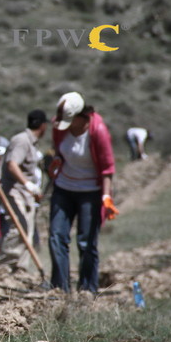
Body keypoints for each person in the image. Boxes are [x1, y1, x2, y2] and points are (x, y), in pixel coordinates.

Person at [48, 92, 119, 293]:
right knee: (56, 235)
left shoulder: (98, 131)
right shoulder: (59, 127)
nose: (66, 124)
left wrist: (106, 197)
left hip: (91, 192)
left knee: (86, 241)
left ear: (81, 116)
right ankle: (60, 289)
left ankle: (88, 289)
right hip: (63, 188)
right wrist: (56, 161)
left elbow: (107, 168)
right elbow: (58, 150)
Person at [0, 109, 48, 272]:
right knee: (19, 227)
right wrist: (27, 184)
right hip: (15, 191)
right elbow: (12, 165)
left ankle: (20, 268)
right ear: (43, 126)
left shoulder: (31, 143)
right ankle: (5, 266)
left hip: (25, 193)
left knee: (28, 229)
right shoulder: (22, 140)